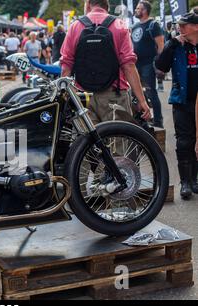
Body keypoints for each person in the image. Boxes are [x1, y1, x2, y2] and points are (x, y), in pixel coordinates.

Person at [60, 0, 151, 126]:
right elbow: (128, 65)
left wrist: (67, 97)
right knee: (118, 141)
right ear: (107, 6)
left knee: (85, 143)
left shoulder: (75, 26)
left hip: (83, 97)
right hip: (114, 95)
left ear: (88, 4)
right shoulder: (119, 25)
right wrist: (142, 100)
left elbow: (66, 66)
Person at [155, 12, 198, 200]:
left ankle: (196, 179)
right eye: (178, 25)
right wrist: (171, 43)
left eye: (183, 25)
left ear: (195, 27)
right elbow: (161, 67)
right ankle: (186, 182)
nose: (179, 28)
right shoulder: (176, 45)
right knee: (184, 141)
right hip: (182, 100)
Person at [132, 1, 165, 128]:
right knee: (137, 94)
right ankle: (141, 121)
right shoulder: (135, 26)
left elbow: (161, 45)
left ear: (144, 10)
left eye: (138, 8)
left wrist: (160, 65)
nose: (135, 10)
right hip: (136, 65)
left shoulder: (153, 24)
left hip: (148, 64)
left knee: (151, 93)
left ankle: (158, 122)